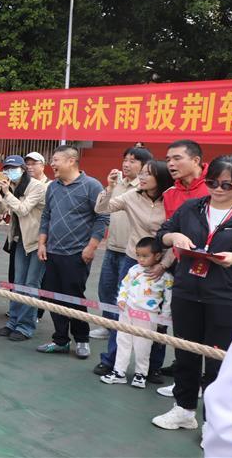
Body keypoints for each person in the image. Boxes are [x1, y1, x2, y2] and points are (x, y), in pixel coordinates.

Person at [152, 155, 232, 431]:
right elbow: (161, 234)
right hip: (187, 290)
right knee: (186, 355)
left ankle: (215, 425)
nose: (219, 189)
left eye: (228, 184)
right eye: (213, 182)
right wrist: (173, 238)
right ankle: (183, 409)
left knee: (217, 363)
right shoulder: (191, 207)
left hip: (224, 297)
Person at [92, 159, 174, 379]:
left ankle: (152, 367)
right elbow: (102, 208)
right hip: (134, 261)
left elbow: (180, 234)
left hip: (166, 262)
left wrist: (164, 264)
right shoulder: (132, 196)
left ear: (162, 178)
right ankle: (111, 362)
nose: (142, 177)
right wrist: (109, 188)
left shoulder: (172, 199)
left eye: (148, 174)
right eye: (142, 174)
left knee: (158, 317)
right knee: (124, 313)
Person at [36, 146, 109, 359]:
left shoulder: (91, 186)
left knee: (74, 297)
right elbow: (46, 216)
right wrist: (42, 243)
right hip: (52, 252)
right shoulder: (53, 187)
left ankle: (82, 339)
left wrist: (91, 247)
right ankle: (60, 340)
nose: (53, 164)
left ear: (71, 161)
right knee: (52, 297)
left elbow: (102, 218)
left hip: (77, 253)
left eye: (56, 160)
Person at [91, 147, 151, 342]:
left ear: (144, 166)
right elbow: (101, 209)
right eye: (125, 159)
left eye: (133, 161)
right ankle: (108, 326)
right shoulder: (117, 184)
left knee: (124, 294)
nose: (126, 164)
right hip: (112, 247)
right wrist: (109, 187)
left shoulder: (143, 188)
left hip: (133, 252)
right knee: (105, 289)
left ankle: (121, 330)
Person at [100, 237, 173, 389]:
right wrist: (121, 299)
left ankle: (141, 374)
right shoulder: (133, 270)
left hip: (148, 317)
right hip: (126, 313)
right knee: (123, 342)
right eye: (138, 255)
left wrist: (164, 318)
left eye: (145, 256)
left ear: (157, 256)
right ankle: (119, 372)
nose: (141, 259)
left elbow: (168, 299)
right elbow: (124, 286)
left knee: (143, 346)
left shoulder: (165, 277)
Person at [0, 155, 47, 340]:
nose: (10, 172)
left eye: (14, 168)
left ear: (23, 169)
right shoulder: (12, 187)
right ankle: (13, 321)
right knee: (17, 283)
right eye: (7, 168)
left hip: (37, 241)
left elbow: (23, 209)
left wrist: (7, 193)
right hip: (19, 240)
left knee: (31, 284)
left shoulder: (37, 186)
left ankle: (25, 327)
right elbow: (0, 212)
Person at [163, 139, 208, 218]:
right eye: (168, 160)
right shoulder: (169, 193)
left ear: (195, 161)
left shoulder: (216, 186)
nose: (170, 163)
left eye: (177, 158)